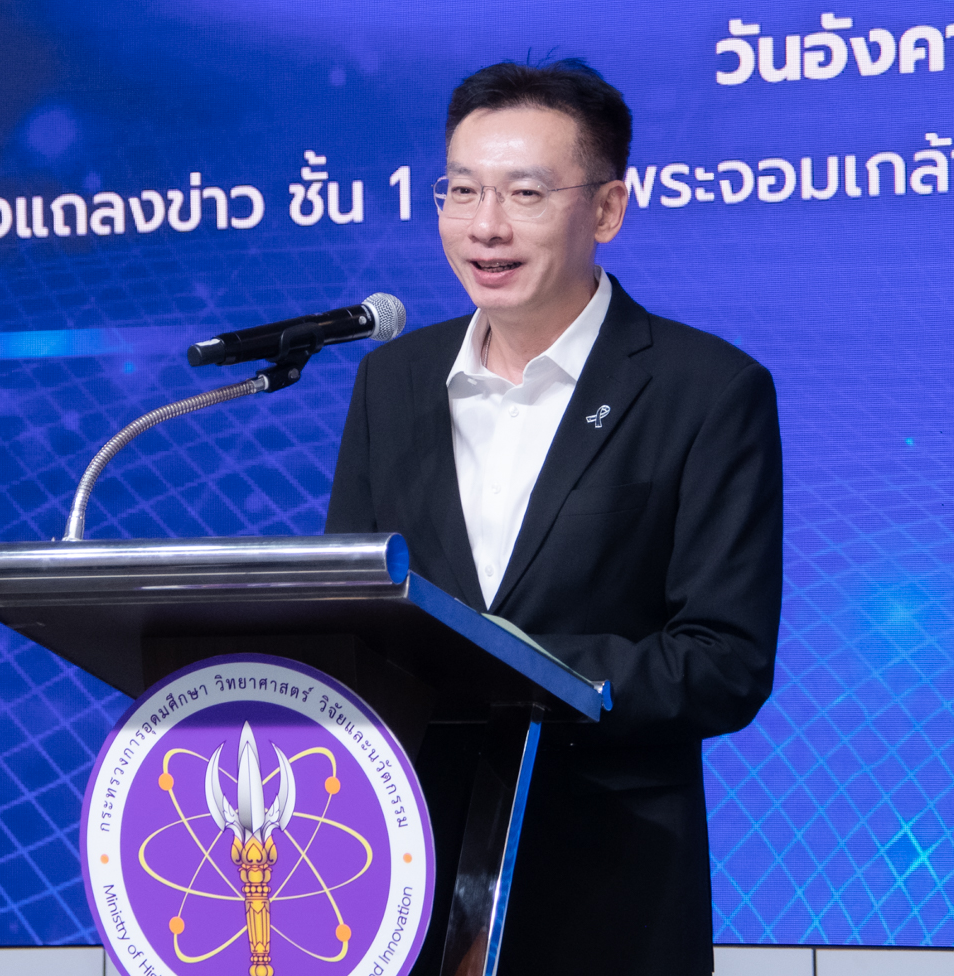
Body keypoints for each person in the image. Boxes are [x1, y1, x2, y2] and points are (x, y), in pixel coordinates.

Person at [326, 58, 784, 975]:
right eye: (462, 191)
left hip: (607, 888)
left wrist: (506, 667)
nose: (485, 226)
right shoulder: (393, 381)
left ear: (606, 210)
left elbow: (723, 663)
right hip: (404, 883)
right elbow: (351, 620)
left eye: (525, 194)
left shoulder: (705, 390)